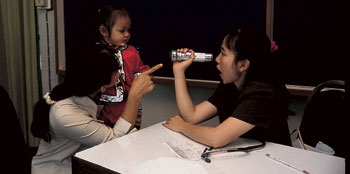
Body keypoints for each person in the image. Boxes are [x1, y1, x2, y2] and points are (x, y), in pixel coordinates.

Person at [31, 44, 162, 174]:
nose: (121, 72)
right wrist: (134, 95)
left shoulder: (82, 92)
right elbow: (115, 139)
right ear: (102, 87)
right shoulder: (64, 115)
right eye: (117, 73)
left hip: (80, 163)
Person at [163, 26, 291, 148]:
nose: (217, 59)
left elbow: (216, 138)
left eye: (223, 54)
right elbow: (192, 116)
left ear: (243, 65)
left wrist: (181, 126)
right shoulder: (231, 84)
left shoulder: (263, 93)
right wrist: (179, 72)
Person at [95, 4, 150, 128]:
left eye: (128, 30)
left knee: (129, 134)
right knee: (106, 139)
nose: (127, 35)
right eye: (122, 31)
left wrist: (141, 77)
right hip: (102, 106)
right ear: (104, 31)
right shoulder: (96, 53)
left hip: (128, 104)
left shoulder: (131, 52)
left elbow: (141, 70)